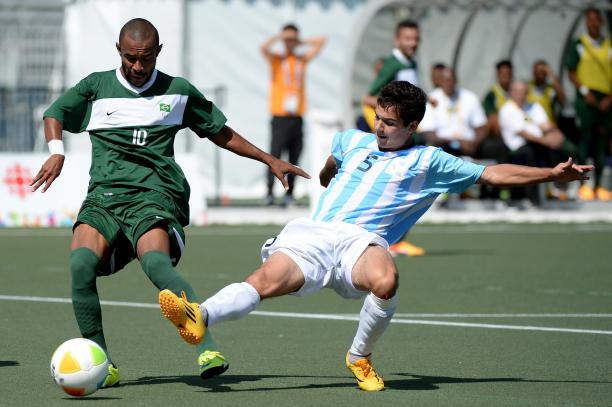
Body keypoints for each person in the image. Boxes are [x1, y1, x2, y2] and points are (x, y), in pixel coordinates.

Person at [158, 81, 592, 392]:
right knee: (265, 282)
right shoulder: (355, 139)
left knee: (386, 279)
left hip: (361, 242)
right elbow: (335, 155)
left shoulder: (430, 160)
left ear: (413, 125)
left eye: (390, 123)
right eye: (378, 119)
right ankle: (200, 317)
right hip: (312, 234)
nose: (380, 128)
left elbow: (493, 171)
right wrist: (328, 172)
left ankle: (358, 357)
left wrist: (551, 173)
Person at [30, 18, 309, 387]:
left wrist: (269, 159)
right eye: (131, 58)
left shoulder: (177, 91)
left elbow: (219, 133)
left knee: (157, 264)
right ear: (119, 51)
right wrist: (56, 152)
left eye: (146, 58)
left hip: (154, 196)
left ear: (158, 52)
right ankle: (103, 363)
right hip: (105, 198)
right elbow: (56, 113)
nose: (138, 66)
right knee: (80, 265)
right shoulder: (97, 87)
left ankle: (206, 347)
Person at [362, 19, 425, 257]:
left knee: (410, 186)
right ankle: (392, 240)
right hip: (398, 140)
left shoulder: (411, 63)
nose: (413, 43)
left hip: (408, 134)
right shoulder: (393, 64)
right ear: (397, 40)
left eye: (416, 38)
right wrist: (387, 126)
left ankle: (395, 239)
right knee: (399, 187)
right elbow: (369, 98)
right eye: (408, 38)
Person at [261, 23, 326, 207]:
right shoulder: (277, 59)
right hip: (280, 115)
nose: (289, 43)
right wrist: (280, 37)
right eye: (287, 39)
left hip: (297, 116)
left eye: (292, 39)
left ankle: (289, 194)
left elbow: (321, 42)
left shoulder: (300, 59)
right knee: (274, 155)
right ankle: (269, 192)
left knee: (295, 156)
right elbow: (263, 48)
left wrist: (298, 41)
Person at [499, 81, 575, 204]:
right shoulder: (507, 110)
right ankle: (533, 198)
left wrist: (556, 133)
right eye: (517, 92)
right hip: (515, 147)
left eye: (524, 92)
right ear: (511, 93)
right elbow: (523, 133)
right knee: (533, 152)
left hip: (537, 143)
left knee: (563, 148)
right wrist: (546, 141)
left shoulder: (534, 106)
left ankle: (561, 187)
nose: (521, 95)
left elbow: (545, 125)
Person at [566, 7, 612, 201]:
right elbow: (571, 72)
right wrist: (584, 92)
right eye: (590, 20)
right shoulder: (579, 44)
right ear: (586, 22)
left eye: (596, 20)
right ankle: (583, 185)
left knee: (602, 142)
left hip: (606, 98)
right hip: (587, 98)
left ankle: (600, 185)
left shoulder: (609, 45)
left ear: (601, 22)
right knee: (585, 140)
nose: (593, 23)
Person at [419, 67, 488, 158]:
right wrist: (455, 143)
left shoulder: (470, 97)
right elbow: (429, 134)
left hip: (470, 146)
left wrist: (474, 143)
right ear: (440, 81)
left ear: (456, 80)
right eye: (446, 80)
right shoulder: (432, 99)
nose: (449, 83)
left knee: (495, 147)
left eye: (451, 80)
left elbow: (481, 127)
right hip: (443, 147)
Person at [528, 59, 566, 124]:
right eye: (537, 71)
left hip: (548, 125)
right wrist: (526, 121)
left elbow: (562, 100)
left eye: (542, 71)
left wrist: (551, 75)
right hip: (531, 125)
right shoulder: (527, 87)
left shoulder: (551, 89)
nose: (539, 74)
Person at [482, 60, 513, 137]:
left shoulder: (518, 92)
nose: (505, 77)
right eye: (502, 74)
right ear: (497, 75)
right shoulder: (491, 95)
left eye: (507, 74)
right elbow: (491, 117)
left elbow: (526, 116)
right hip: (502, 129)